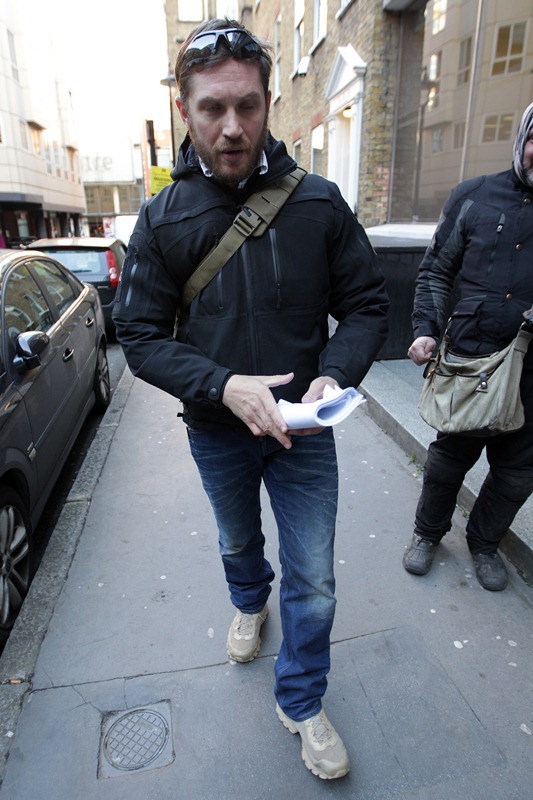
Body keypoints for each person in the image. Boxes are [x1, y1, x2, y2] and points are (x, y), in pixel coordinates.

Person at [113, 18, 388, 780]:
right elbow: (137, 334)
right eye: (212, 108)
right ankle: (247, 600)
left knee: (316, 580)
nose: (231, 127)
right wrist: (222, 385)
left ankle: (300, 700)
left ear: (269, 103)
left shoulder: (319, 204)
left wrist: (336, 372)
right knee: (239, 544)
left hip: (304, 432)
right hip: (217, 430)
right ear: (184, 109)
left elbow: (367, 306)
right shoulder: (163, 218)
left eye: (246, 106)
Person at [403, 101, 533, 592]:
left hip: (532, 375)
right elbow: (436, 270)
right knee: (447, 463)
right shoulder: (474, 197)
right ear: (522, 139)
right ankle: (427, 533)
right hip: (471, 362)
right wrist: (425, 328)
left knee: (517, 474)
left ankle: (484, 544)